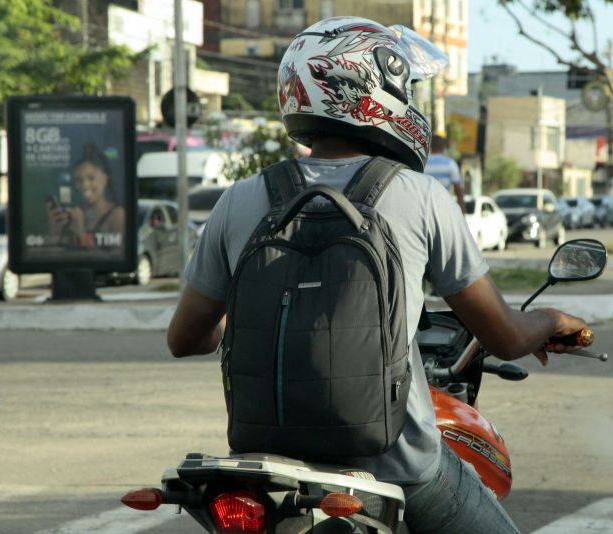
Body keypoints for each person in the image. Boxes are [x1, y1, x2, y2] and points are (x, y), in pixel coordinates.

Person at [166, 17, 588, 534]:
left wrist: (249, 322)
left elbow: (184, 338)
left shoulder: (239, 201)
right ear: (373, 90)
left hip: (266, 471)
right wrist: (550, 320)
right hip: (396, 470)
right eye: (404, 86)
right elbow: (504, 335)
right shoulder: (421, 197)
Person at [47, 144, 125, 247]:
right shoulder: (73, 216)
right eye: (79, 180)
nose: (84, 185)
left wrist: (80, 232)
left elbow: (114, 258)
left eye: (91, 178)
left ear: (105, 180)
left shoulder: (117, 215)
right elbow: (54, 256)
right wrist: (55, 231)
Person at [424, 134, 467, 213]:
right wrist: (463, 214)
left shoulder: (423, 163)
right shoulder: (450, 164)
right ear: (443, 148)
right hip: (444, 210)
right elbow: (458, 192)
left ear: (430, 147)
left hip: (424, 209)